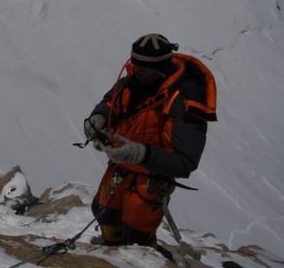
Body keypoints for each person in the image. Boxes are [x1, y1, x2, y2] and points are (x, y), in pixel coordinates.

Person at [83, 33, 217, 247]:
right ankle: (112, 251)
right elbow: (110, 103)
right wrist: (97, 118)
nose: (138, 72)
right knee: (103, 212)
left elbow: (185, 162)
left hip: (152, 177)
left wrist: (141, 153)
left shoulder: (184, 99)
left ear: (162, 68)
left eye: (145, 69)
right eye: (136, 66)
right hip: (121, 166)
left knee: (136, 231)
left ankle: (136, 257)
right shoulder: (131, 81)